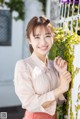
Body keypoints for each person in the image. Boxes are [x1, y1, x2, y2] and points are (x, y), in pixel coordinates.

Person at [14, 16, 71, 119]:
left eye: (47, 36)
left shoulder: (54, 66)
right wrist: (60, 89)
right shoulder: (23, 66)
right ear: (29, 40)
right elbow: (30, 103)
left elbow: (60, 102)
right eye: (37, 37)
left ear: (53, 37)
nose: (43, 42)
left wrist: (62, 74)